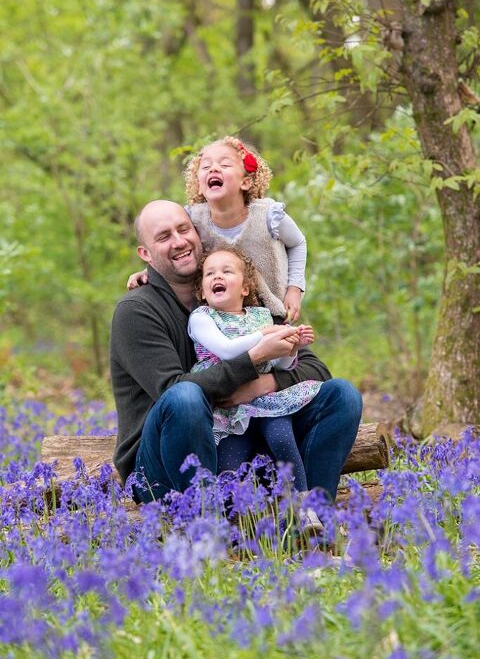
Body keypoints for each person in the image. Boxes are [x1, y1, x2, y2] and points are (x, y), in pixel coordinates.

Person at [110, 199, 362, 504]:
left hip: (241, 441)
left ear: (198, 233)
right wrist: (254, 358)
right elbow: (173, 393)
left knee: (341, 394)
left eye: (184, 229)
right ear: (145, 254)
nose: (179, 242)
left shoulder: (236, 295)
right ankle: (208, 528)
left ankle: (310, 513)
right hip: (162, 466)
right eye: (164, 237)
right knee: (186, 397)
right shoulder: (137, 311)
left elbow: (314, 369)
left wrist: (265, 383)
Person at [128, 136, 307, 322]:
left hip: (272, 315)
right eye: (206, 167)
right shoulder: (195, 219)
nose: (214, 168)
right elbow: (175, 249)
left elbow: (298, 243)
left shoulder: (269, 216)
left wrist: (294, 288)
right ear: (199, 186)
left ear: (245, 182)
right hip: (222, 319)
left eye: (225, 165)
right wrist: (150, 273)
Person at [189, 246, 322, 491]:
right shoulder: (202, 318)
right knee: (229, 466)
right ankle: (231, 522)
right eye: (210, 274)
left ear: (245, 288)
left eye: (227, 271)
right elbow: (227, 350)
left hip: (264, 399)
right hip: (228, 406)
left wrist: (291, 347)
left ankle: (304, 507)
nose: (217, 276)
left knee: (282, 439)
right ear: (202, 292)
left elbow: (279, 365)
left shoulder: (261, 316)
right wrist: (265, 334)